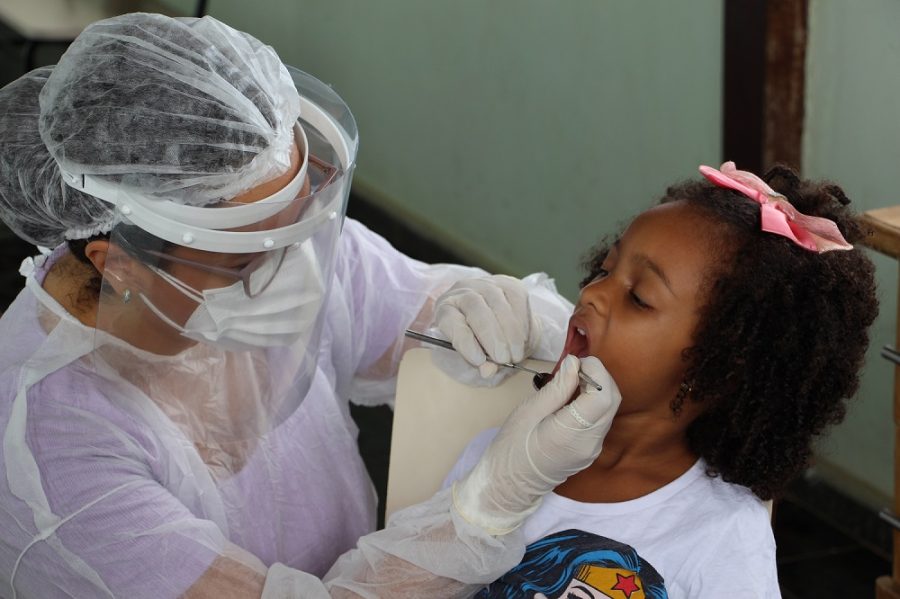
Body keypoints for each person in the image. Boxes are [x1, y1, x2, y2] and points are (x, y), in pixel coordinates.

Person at [0, 13, 622, 598]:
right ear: (119, 264)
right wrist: (488, 507)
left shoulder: (272, 243)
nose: (298, 271)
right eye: (247, 262)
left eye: (298, 229)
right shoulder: (54, 451)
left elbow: (421, 309)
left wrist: (514, 317)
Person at [443, 162, 880, 598]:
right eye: (604, 269)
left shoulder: (722, 538)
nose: (592, 292)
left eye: (637, 297)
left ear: (715, 368)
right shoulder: (501, 457)